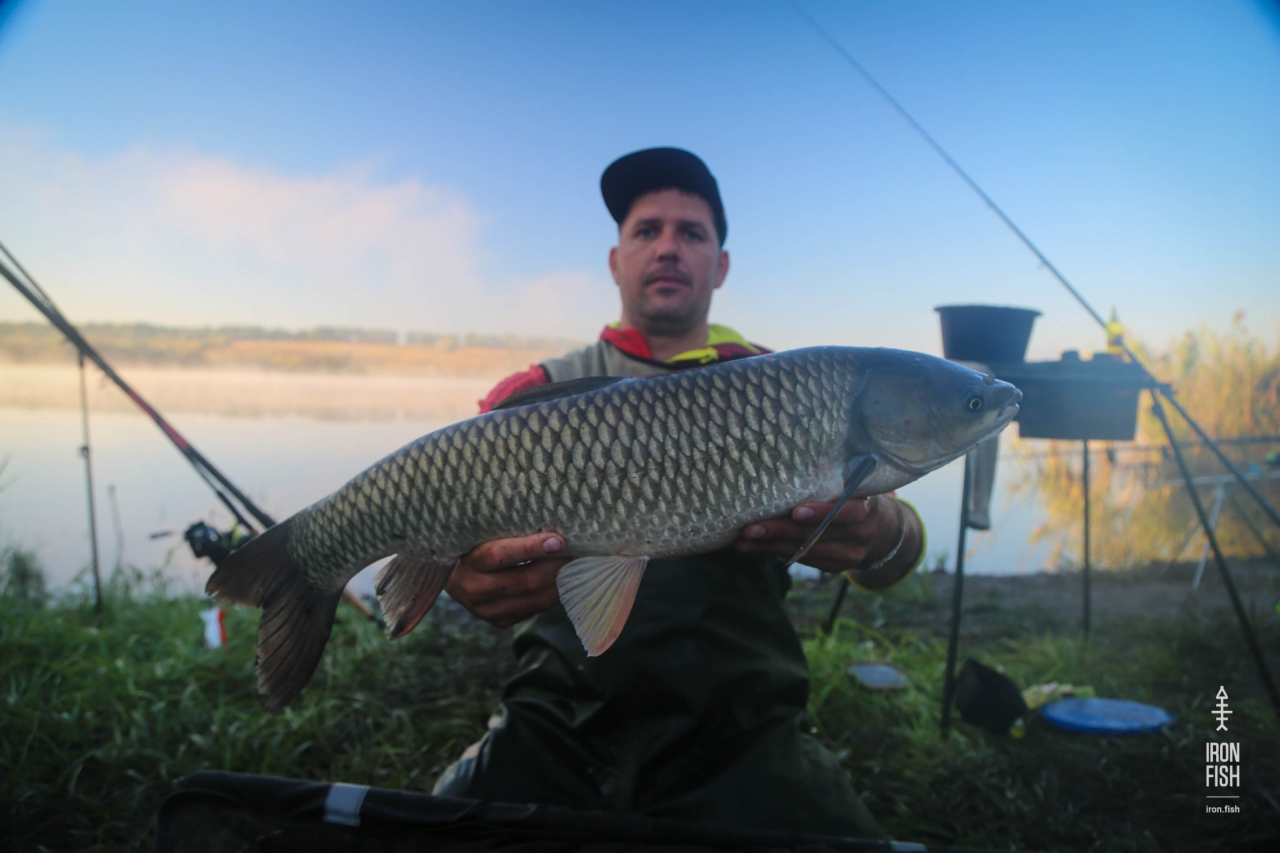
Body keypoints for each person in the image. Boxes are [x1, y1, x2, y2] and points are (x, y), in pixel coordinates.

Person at [433, 148, 925, 839]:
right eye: (647, 230)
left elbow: (898, 554)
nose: (668, 247)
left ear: (720, 266)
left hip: (742, 726)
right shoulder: (532, 396)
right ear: (616, 261)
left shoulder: (787, 384)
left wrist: (885, 533)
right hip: (556, 714)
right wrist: (454, 571)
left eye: (691, 233)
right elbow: (453, 527)